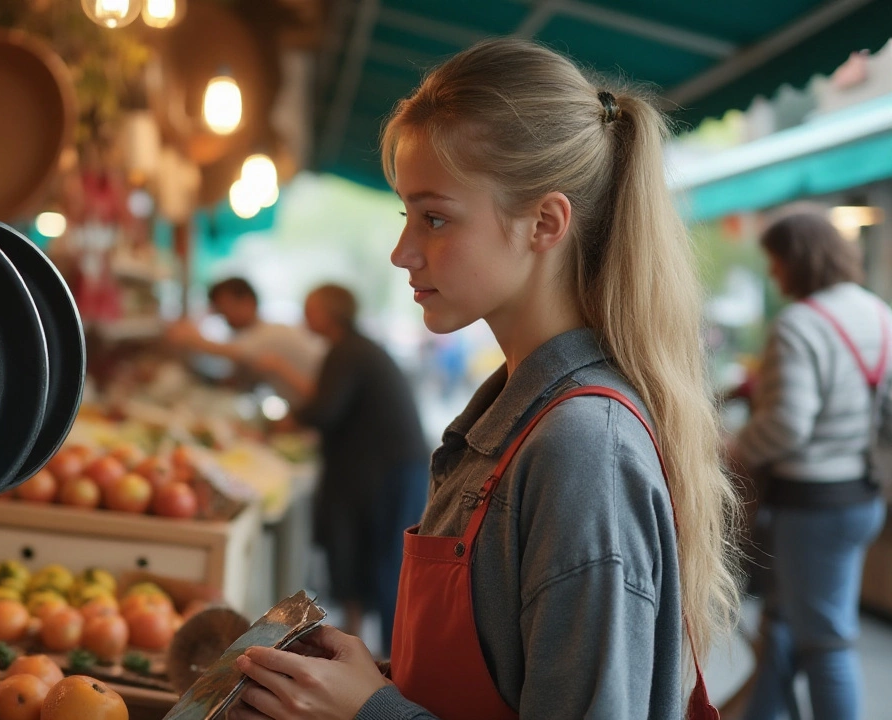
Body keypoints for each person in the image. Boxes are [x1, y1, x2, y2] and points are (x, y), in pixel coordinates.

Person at [228, 38, 738, 720]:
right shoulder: (518, 416)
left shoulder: (583, 449)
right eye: (406, 215)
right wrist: (370, 679)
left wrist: (371, 711)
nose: (402, 252)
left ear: (544, 224)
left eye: (434, 217)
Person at [734, 212, 889, 720]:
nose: (774, 275)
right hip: (862, 496)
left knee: (825, 643)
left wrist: (730, 446)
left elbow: (786, 426)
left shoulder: (800, 324)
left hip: (812, 506)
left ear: (795, 260)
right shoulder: (878, 313)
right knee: (781, 622)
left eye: (776, 263)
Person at [258, 283, 428, 656]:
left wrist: (284, 421)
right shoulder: (356, 348)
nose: (304, 315)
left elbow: (324, 410)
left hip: (387, 472)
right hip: (383, 469)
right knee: (363, 557)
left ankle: (391, 663)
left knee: (383, 565)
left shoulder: (347, 351)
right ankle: (365, 648)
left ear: (327, 312)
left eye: (309, 307)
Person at [166, 277, 324, 403]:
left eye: (225, 307)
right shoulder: (247, 335)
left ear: (248, 302)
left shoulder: (273, 332)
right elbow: (236, 381)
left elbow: (231, 351)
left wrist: (189, 337)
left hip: (313, 411)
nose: (223, 316)